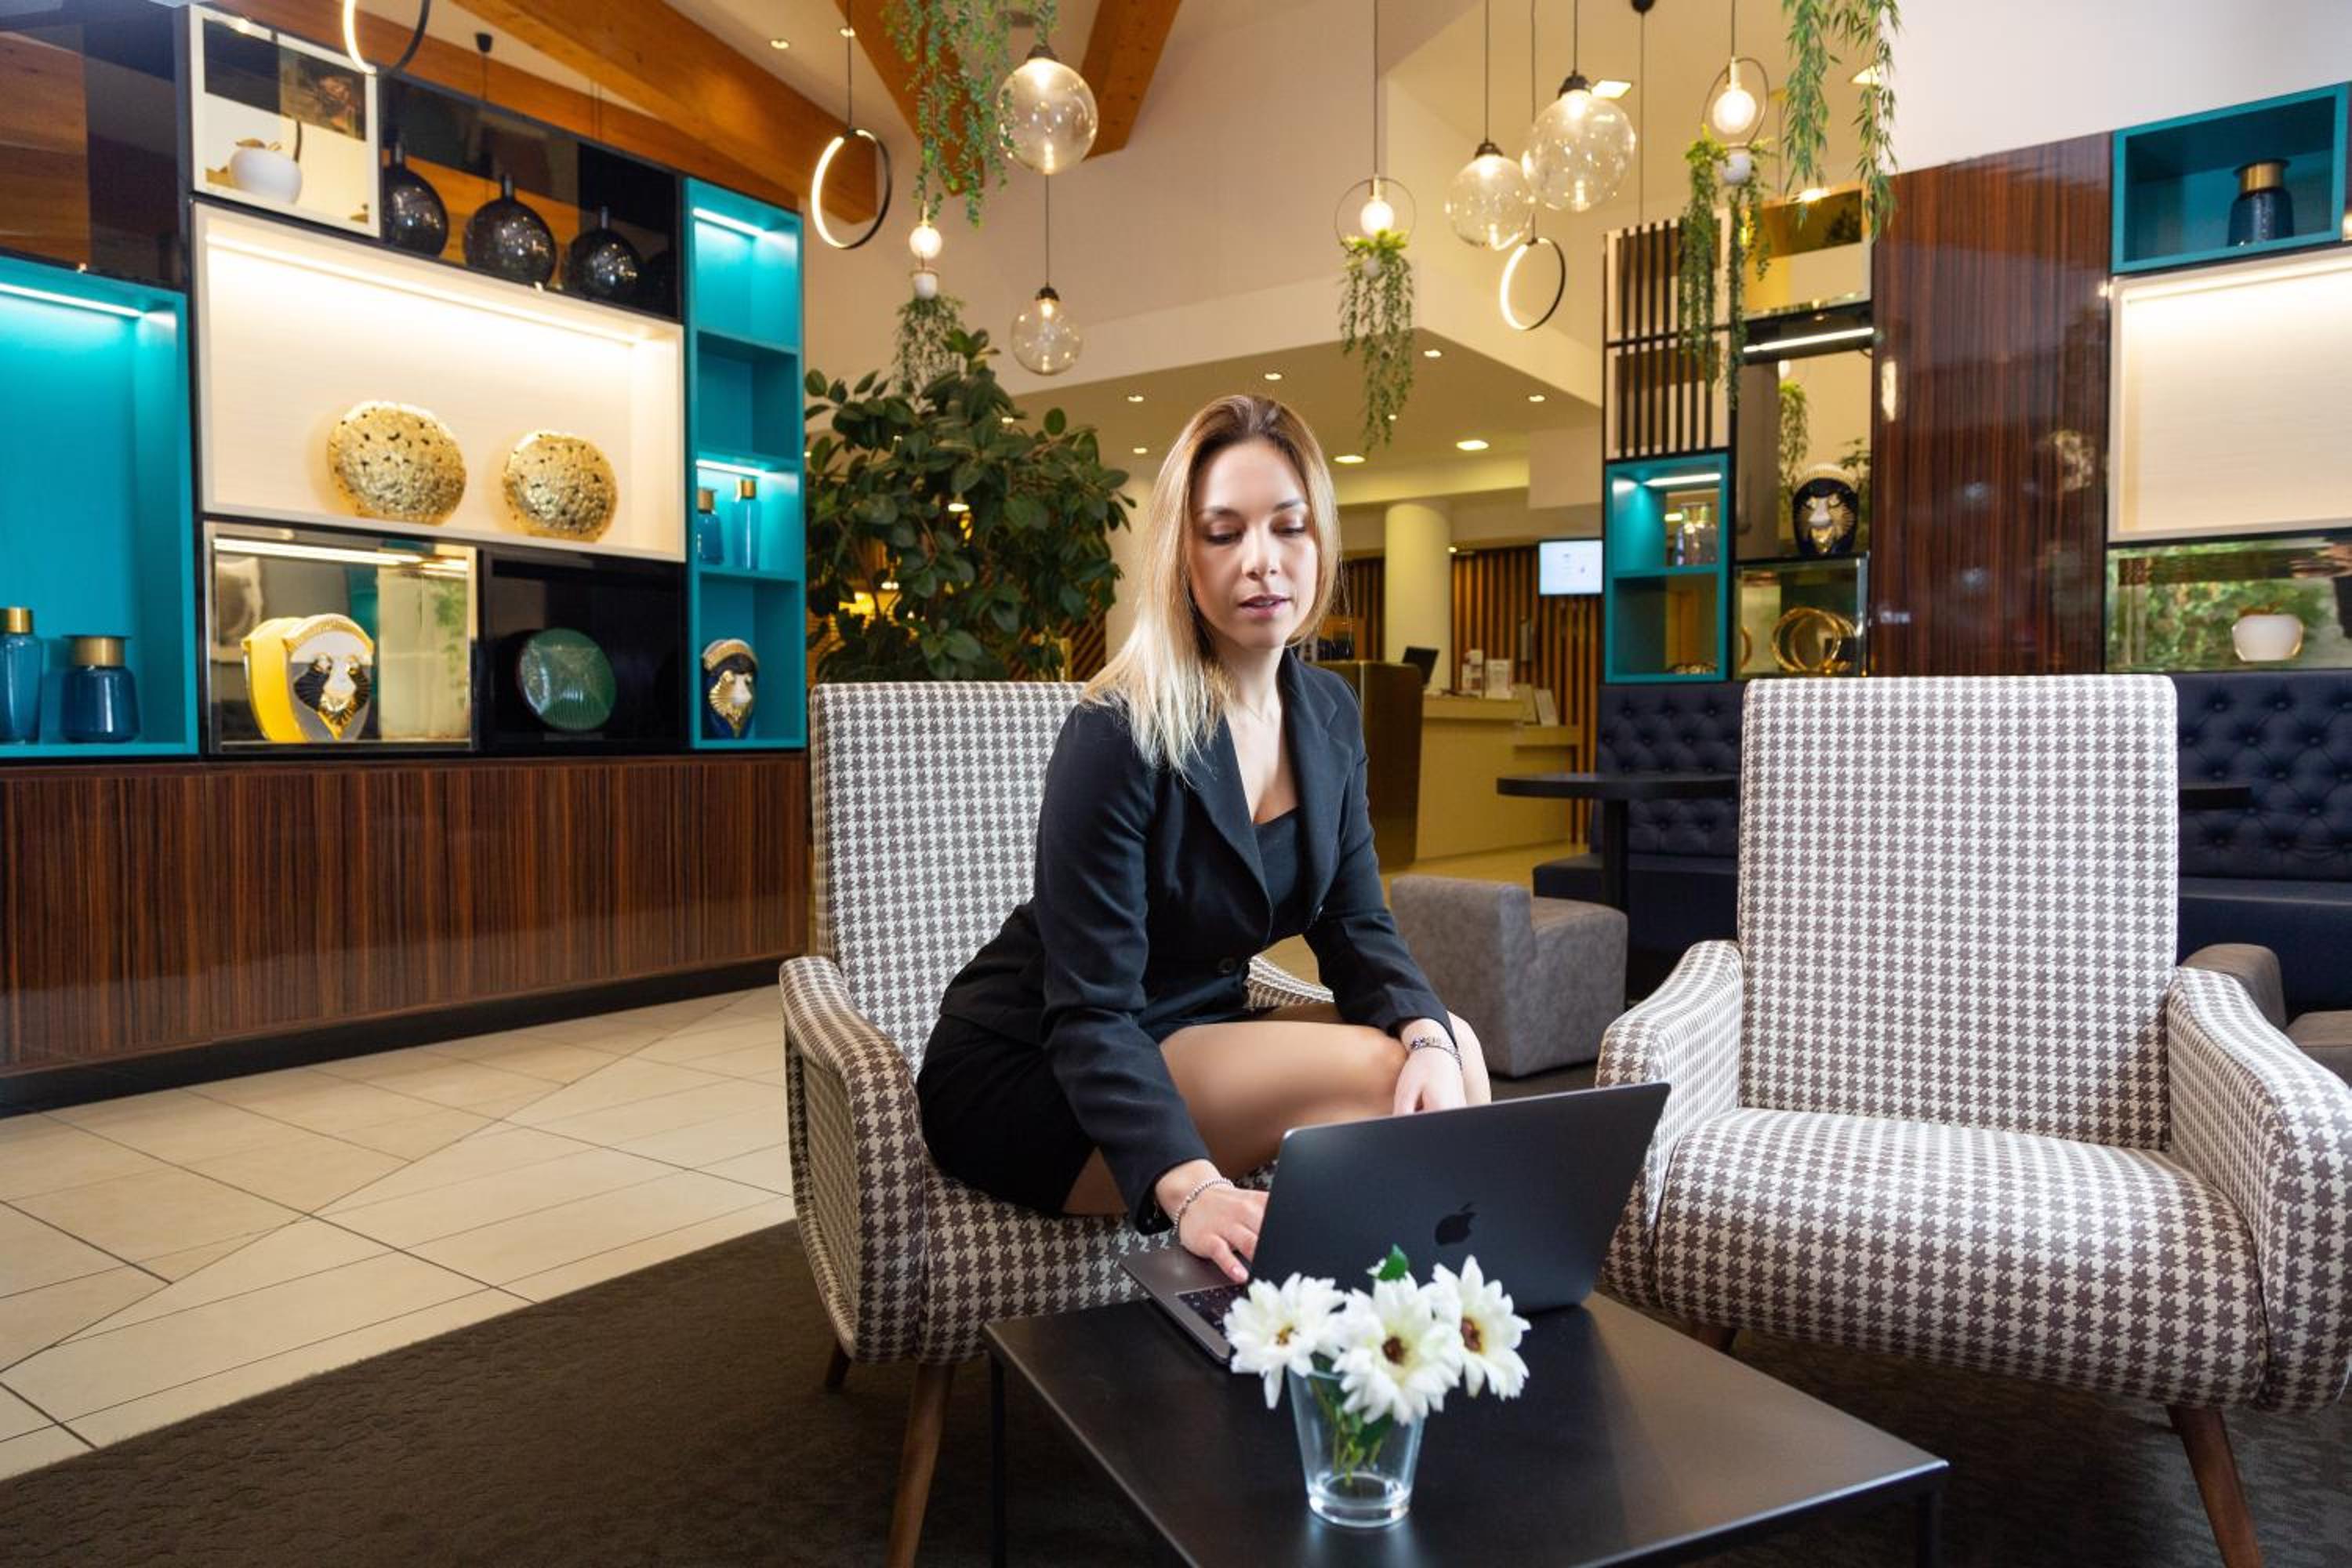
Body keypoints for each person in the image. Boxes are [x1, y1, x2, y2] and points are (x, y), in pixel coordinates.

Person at [916, 395, 1491, 1287]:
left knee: (1451, 1044)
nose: (1262, 560)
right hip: (1046, 1067)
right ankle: (1405, 1325)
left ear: (1321, 541)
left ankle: (1430, 1319)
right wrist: (1192, 1191)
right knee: (1389, 1075)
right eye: (1224, 533)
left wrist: (1425, 1029)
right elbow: (1089, 1009)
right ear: (1182, 558)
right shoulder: (1119, 728)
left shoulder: (1329, 713)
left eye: (1289, 527)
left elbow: (1355, 923)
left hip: (1196, 1027)